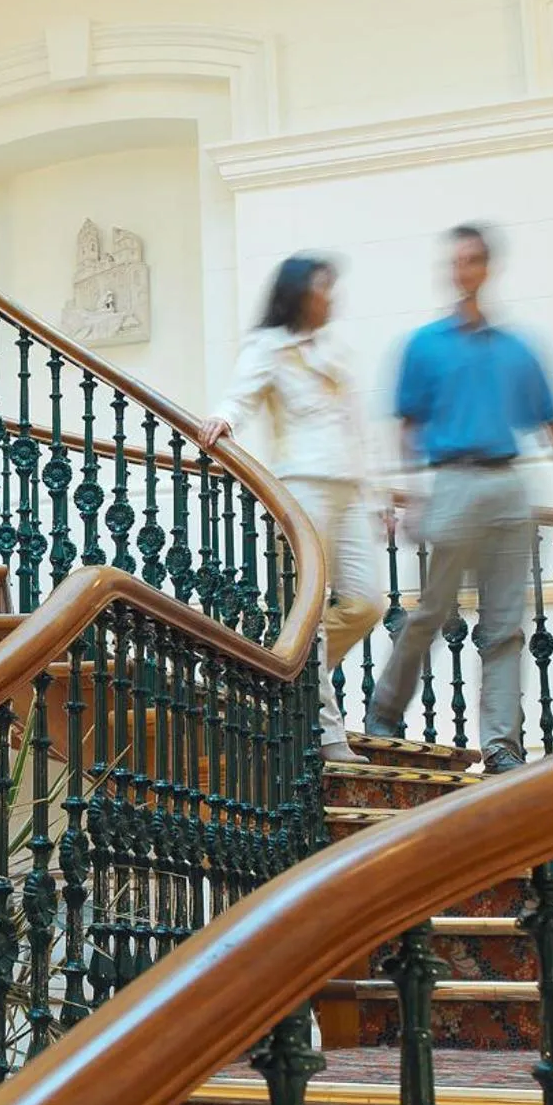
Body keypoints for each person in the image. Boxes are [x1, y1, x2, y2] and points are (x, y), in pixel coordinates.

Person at [363, 224, 553, 773]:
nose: (463, 271)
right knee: (433, 612)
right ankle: (384, 714)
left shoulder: (519, 349)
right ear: (450, 270)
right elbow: (408, 425)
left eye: (473, 261)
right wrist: (413, 497)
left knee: (506, 625)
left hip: (510, 487)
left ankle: (501, 746)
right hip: (454, 483)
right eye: (456, 262)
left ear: (487, 268)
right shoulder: (424, 345)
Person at [195, 255, 386, 765]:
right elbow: (241, 397)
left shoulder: (333, 351)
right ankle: (328, 735)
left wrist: (379, 494)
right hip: (302, 491)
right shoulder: (269, 346)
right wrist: (221, 421)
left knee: (369, 602)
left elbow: (356, 429)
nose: (332, 297)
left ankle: (284, 679)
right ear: (300, 292)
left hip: (347, 490)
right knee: (308, 615)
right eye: (324, 287)